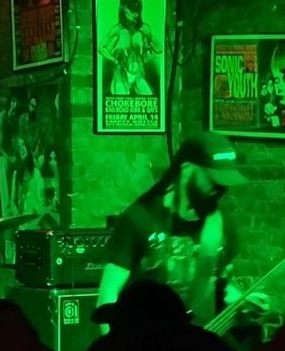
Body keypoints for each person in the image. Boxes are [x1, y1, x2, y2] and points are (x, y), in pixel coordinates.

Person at [95, 131, 269, 333]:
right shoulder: (139, 218)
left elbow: (219, 286)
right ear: (186, 169)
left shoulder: (221, 224)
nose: (219, 189)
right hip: (145, 344)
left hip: (199, 344)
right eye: (212, 180)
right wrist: (114, 348)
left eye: (224, 183)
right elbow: (108, 296)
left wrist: (243, 303)